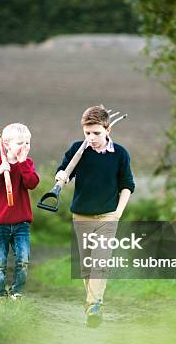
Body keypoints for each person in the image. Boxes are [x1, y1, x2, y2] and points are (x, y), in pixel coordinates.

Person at [55, 105, 135, 326]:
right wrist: (60, 177)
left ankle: (94, 305)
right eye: (87, 133)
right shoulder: (77, 150)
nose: (91, 138)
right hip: (81, 216)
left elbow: (127, 185)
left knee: (100, 262)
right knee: (86, 266)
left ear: (108, 129)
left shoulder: (119, 154)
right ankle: (92, 302)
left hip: (108, 216)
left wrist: (118, 213)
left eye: (97, 133)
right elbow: (64, 172)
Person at [0, 123, 39, 299]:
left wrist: (21, 165)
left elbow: (32, 183)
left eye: (28, 143)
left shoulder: (27, 163)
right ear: (6, 144)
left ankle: (17, 292)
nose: (25, 147)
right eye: (20, 143)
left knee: (23, 260)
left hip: (21, 223)